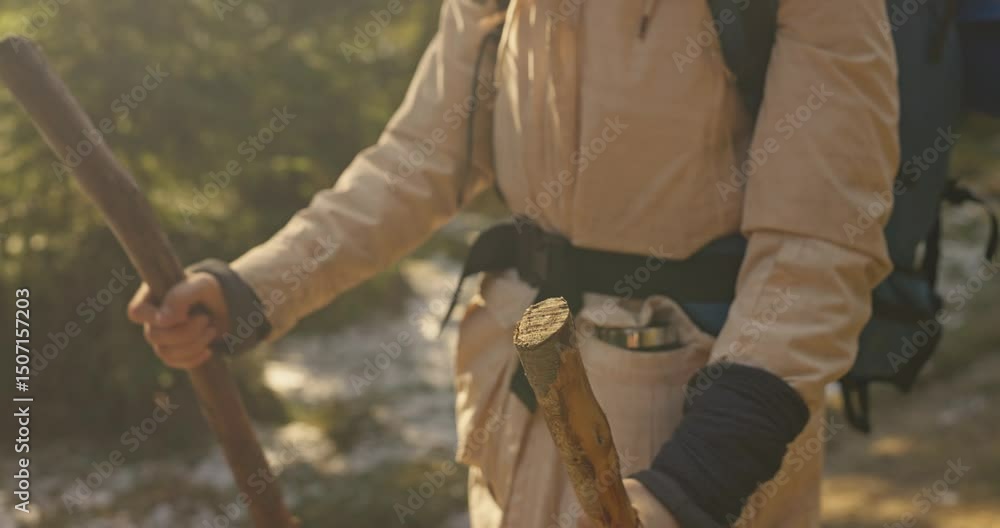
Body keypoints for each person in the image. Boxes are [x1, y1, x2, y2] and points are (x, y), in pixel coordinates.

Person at [128, 0, 900, 526]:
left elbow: (819, 249)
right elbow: (421, 159)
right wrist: (251, 287)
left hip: (694, 442)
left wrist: (694, 487)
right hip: (515, 405)